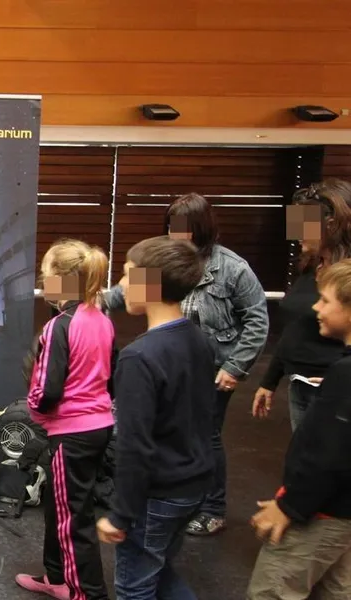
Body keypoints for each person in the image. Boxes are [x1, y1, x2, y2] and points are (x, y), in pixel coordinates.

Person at [104, 193, 268, 537]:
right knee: (172, 435)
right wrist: (87, 304)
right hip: (170, 362)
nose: (179, 235)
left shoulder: (233, 269)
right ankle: (177, 501)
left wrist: (236, 367)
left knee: (206, 436)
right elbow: (122, 293)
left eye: (187, 229)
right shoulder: (160, 260)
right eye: (172, 227)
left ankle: (212, 508)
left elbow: (257, 320)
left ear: (203, 228)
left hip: (209, 368)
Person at [96, 236, 214, 600]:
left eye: (128, 276)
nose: (121, 286)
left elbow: (135, 446)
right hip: (192, 487)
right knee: (159, 573)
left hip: (156, 497)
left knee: (135, 588)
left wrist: (121, 514)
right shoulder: (197, 339)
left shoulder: (138, 358)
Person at [16, 239, 116, 600]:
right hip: (96, 427)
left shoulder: (59, 326)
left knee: (73, 518)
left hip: (72, 433)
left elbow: (46, 389)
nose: (42, 282)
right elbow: (110, 376)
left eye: (46, 276)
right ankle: (56, 577)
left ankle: (86, 593)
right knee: (61, 506)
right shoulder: (102, 320)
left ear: (62, 279)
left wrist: (35, 411)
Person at [246, 259, 351, 599]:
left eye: (325, 301)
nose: (316, 308)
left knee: (272, 591)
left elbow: (328, 456)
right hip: (340, 516)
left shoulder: (345, 376)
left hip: (323, 513)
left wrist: (290, 506)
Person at [253, 179, 351, 431]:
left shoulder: (346, 277)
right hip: (300, 386)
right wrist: (270, 381)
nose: (296, 233)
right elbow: (294, 329)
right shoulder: (311, 268)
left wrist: (340, 380)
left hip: (337, 392)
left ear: (331, 225)